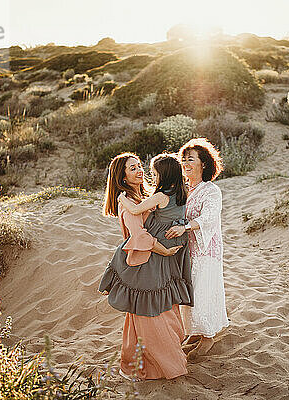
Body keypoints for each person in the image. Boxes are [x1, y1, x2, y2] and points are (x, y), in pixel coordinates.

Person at [98, 152, 193, 380]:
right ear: (122, 177)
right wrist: (165, 250)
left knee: (157, 312)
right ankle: (163, 366)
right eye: (133, 168)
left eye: (140, 166)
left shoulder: (147, 197)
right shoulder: (127, 202)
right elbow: (140, 237)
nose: (140, 170)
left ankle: (138, 365)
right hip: (143, 263)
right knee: (151, 316)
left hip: (158, 264)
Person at [165, 138, 230, 359]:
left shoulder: (210, 190)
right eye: (183, 159)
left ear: (204, 164)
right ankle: (194, 332)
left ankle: (208, 336)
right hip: (185, 251)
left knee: (202, 291)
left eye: (191, 159)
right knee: (189, 293)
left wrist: (186, 227)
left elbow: (210, 217)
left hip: (205, 249)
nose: (185, 163)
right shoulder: (183, 189)